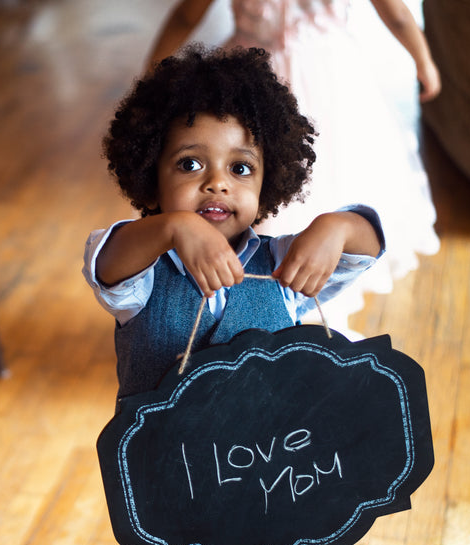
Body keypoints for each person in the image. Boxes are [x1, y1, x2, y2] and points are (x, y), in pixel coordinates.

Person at [82, 45, 384, 545]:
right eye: (190, 164)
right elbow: (105, 260)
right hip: (171, 515)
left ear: (269, 180)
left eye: (240, 167)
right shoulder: (139, 272)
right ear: (151, 175)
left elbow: (367, 245)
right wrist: (171, 231)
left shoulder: (285, 265)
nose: (216, 183)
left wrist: (335, 225)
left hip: (278, 507)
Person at [145, 0, 440, 337]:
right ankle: (235, 302)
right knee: (240, 185)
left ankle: (292, 300)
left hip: (314, 81)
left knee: (309, 179)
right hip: (265, 80)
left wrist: (153, 68)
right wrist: (423, 59)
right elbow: (397, 13)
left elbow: (186, 14)